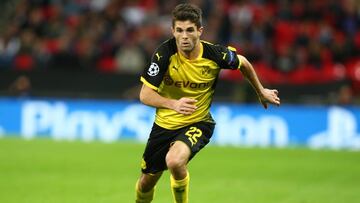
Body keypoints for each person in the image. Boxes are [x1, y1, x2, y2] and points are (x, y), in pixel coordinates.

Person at [135, 3, 280, 203]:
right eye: (179, 30)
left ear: (199, 31)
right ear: (173, 31)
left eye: (189, 30)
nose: (184, 36)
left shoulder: (214, 54)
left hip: (198, 122)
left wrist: (261, 91)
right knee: (146, 183)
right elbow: (145, 94)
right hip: (164, 125)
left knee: (175, 161)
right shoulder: (164, 54)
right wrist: (173, 104)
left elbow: (243, 63)